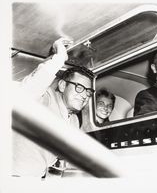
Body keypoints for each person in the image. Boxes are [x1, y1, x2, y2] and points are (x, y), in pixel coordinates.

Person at [12, 37, 95, 178]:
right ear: (62, 86)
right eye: (79, 88)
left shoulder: (74, 121)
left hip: (38, 179)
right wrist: (59, 58)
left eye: (88, 91)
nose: (84, 95)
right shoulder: (45, 99)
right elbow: (29, 90)